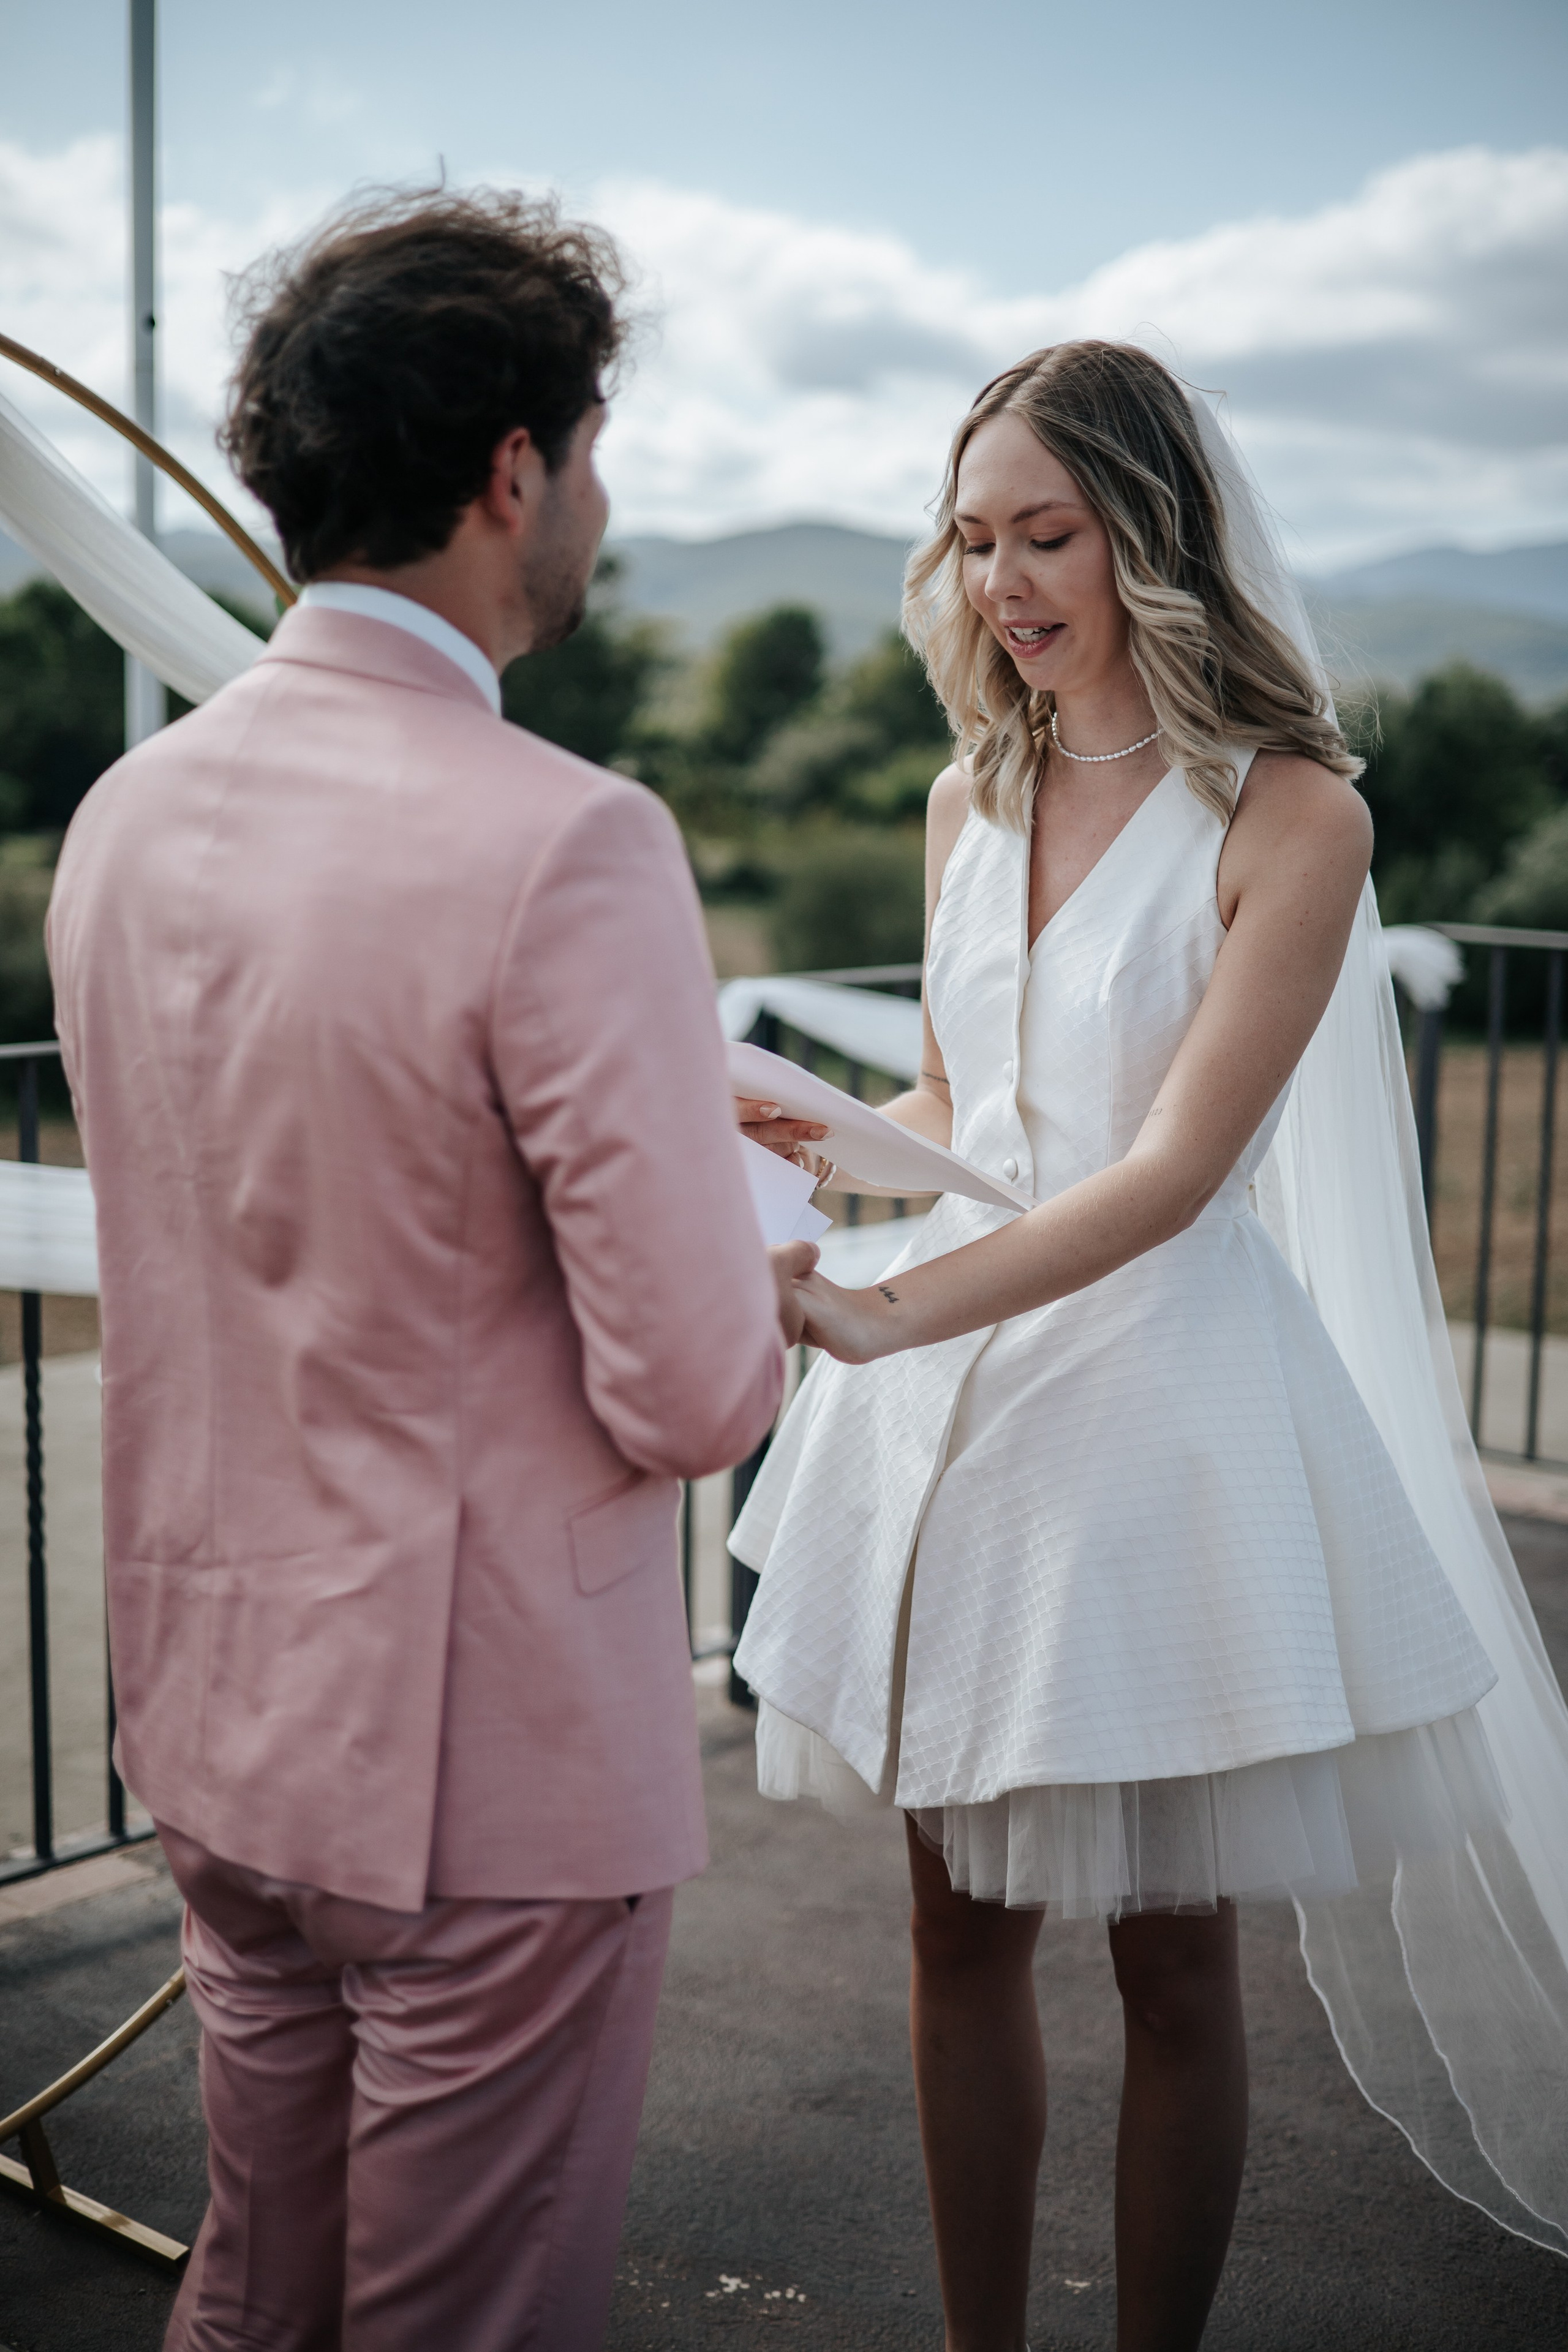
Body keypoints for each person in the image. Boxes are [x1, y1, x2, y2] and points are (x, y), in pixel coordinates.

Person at [733, 342, 1568, 2350]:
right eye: (976, 540)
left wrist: (874, 1310)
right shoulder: (967, 790)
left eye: (1051, 535)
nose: (1007, 582)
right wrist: (823, 1153)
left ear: (1153, 537)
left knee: (1178, 1963)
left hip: (1153, 1416)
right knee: (955, 1926)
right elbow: (967, 1103)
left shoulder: (1295, 814)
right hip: (947, 1420)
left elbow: (1178, 1168)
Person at [47, 187, 815, 2352]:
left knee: (255, 2288)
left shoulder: (127, 815)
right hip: (489, 1762)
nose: (597, 497)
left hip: (217, 1715)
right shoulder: (568, 837)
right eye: (592, 446)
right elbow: (689, 1398)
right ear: (513, 470)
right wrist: (765, 1242)